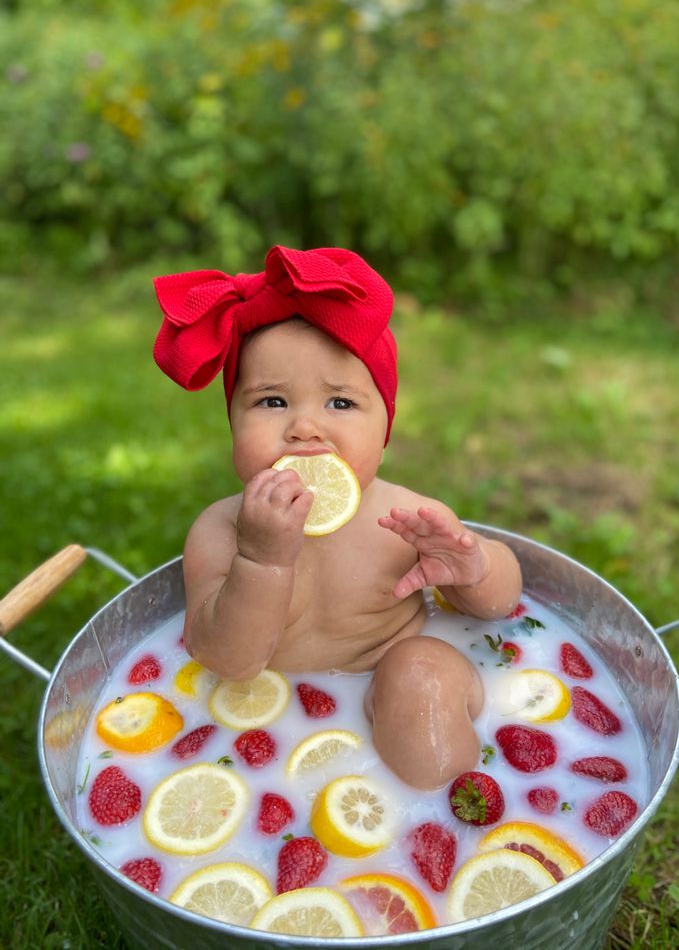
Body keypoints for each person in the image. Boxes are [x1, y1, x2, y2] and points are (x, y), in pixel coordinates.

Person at [153, 246, 522, 790]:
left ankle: (446, 814)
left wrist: (474, 568)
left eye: (341, 404)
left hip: (399, 672)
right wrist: (261, 559)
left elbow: (502, 604)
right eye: (272, 402)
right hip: (264, 714)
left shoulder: (405, 516)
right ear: (232, 423)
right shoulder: (222, 530)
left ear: (385, 428)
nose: (305, 427)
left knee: (420, 672)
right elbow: (227, 661)